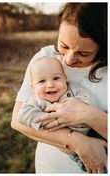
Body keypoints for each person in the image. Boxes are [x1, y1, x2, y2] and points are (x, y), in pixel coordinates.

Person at [11, 3, 107, 173]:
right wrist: (76, 141)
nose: (68, 60)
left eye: (83, 54)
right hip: (50, 168)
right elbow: (18, 120)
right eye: (63, 45)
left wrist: (90, 115)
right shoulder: (45, 58)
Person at [17, 56, 98, 170]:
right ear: (33, 87)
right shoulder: (36, 101)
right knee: (94, 165)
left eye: (56, 78)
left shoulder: (73, 89)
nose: (50, 84)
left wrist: (75, 106)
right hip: (72, 149)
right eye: (42, 81)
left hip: (93, 131)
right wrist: (50, 119)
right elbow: (22, 115)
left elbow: (90, 101)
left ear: (65, 78)